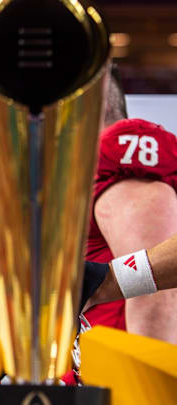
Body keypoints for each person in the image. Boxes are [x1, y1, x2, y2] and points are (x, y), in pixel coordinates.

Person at [83, 66, 177, 344]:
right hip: (91, 374)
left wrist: (149, 384)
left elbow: (157, 294)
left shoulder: (117, 148)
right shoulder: (78, 174)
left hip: (122, 379)